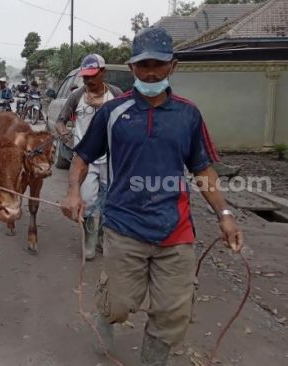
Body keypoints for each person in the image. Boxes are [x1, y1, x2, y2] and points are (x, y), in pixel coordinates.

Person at [60, 28, 243, 365]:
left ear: (172, 66)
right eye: (143, 65)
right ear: (132, 68)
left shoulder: (188, 115)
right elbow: (82, 157)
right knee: (118, 305)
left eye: (158, 64)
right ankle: (106, 314)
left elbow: (203, 170)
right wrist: (74, 192)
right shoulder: (113, 112)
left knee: (172, 314)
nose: (151, 72)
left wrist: (225, 216)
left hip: (175, 230)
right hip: (123, 226)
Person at [55, 54, 123, 260]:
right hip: (86, 159)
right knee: (88, 201)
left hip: (112, 157)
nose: (88, 80)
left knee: (111, 199)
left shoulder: (116, 94)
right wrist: (68, 139)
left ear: (103, 73)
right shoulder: (77, 97)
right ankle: (90, 241)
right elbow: (60, 121)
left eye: (93, 76)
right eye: (85, 77)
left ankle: (104, 236)